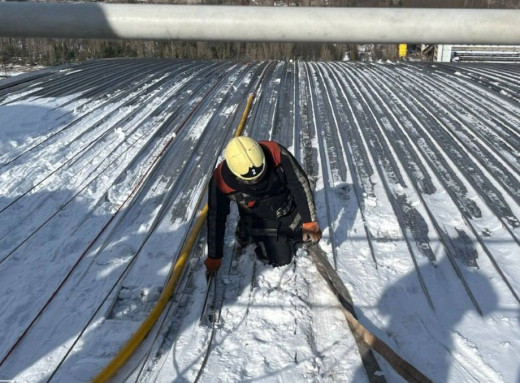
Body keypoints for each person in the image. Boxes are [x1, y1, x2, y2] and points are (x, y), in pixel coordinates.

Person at [205, 136, 322, 276]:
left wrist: (309, 221)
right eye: (252, 180)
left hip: (286, 205)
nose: (258, 180)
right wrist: (214, 255)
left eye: (261, 174)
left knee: (305, 235)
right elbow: (216, 217)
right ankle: (246, 229)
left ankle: (286, 229)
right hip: (259, 218)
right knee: (281, 259)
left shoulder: (276, 153)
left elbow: (299, 184)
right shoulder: (221, 181)